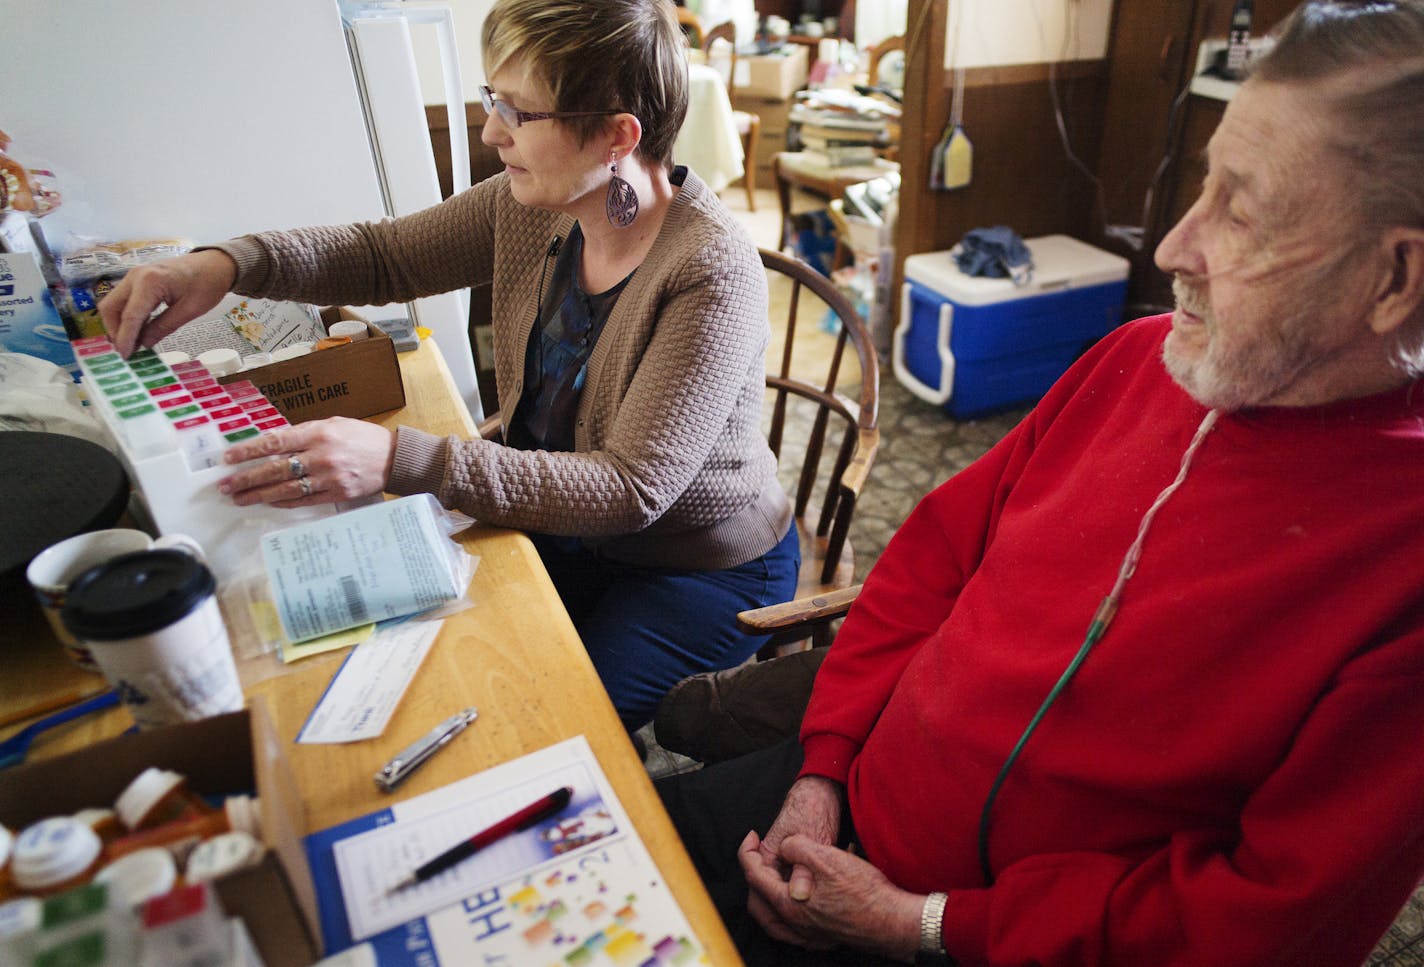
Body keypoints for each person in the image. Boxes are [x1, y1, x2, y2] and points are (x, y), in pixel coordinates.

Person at [656, 2, 1424, 963]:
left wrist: (921, 923)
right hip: (842, 785)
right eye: (1203, 184)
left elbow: (1260, 920)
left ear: (1394, 280)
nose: (1173, 248)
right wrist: (825, 767)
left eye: (1243, 209)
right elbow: (928, 568)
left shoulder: (1405, 565)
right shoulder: (1138, 356)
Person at [97, 0, 798, 731]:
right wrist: (226, 263)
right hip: (574, 529)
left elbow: (630, 488)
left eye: (518, 113)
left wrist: (405, 457)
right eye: (492, 99)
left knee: (545, 719)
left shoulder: (710, 271)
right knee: (444, 657)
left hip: (696, 567)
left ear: (617, 136)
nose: (492, 131)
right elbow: (384, 254)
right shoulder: (536, 203)